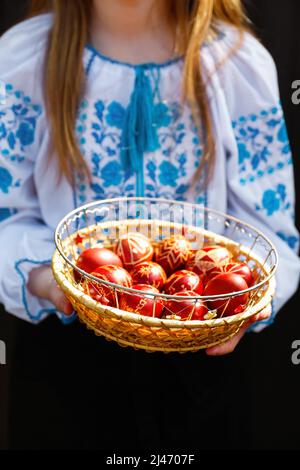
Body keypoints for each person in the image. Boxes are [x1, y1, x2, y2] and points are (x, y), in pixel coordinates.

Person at [0, 0, 299, 450]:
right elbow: (7, 213)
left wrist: (243, 298)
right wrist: (48, 279)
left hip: (203, 366)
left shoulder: (236, 63)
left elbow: (268, 225)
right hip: (65, 366)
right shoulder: (26, 56)